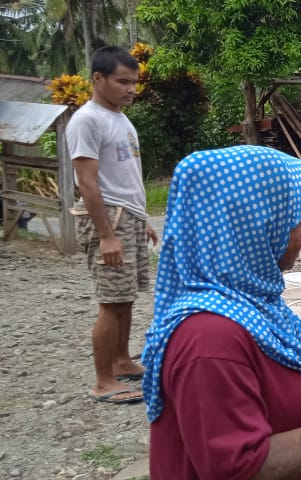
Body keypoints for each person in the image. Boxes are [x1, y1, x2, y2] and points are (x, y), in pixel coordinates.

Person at [141, 145, 301, 479]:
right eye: (298, 222)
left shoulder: (251, 304)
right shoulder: (208, 340)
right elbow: (241, 470)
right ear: (253, 228)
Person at [66, 46, 158, 404]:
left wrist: (142, 220)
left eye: (134, 82)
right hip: (108, 219)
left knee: (125, 297)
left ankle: (121, 361)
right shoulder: (87, 120)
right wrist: (107, 235)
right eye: (123, 82)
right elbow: (87, 182)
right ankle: (103, 381)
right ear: (98, 79)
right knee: (110, 300)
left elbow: (124, 176)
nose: (131, 89)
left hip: (128, 217)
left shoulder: (119, 118)